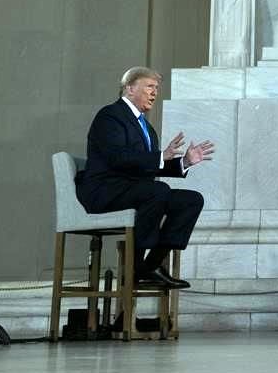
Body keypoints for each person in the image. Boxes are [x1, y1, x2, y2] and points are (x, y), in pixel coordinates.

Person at [75, 67, 215, 289]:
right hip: (104, 191)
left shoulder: (146, 128)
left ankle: (150, 266)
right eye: (150, 86)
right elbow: (117, 158)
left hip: (135, 191)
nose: (154, 93)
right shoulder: (110, 115)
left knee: (191, 199)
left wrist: (184, 162)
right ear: (130, 88)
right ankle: (136, 264)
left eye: (157, 88)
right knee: (158, 192)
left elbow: (148, 167)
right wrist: (160, 156)